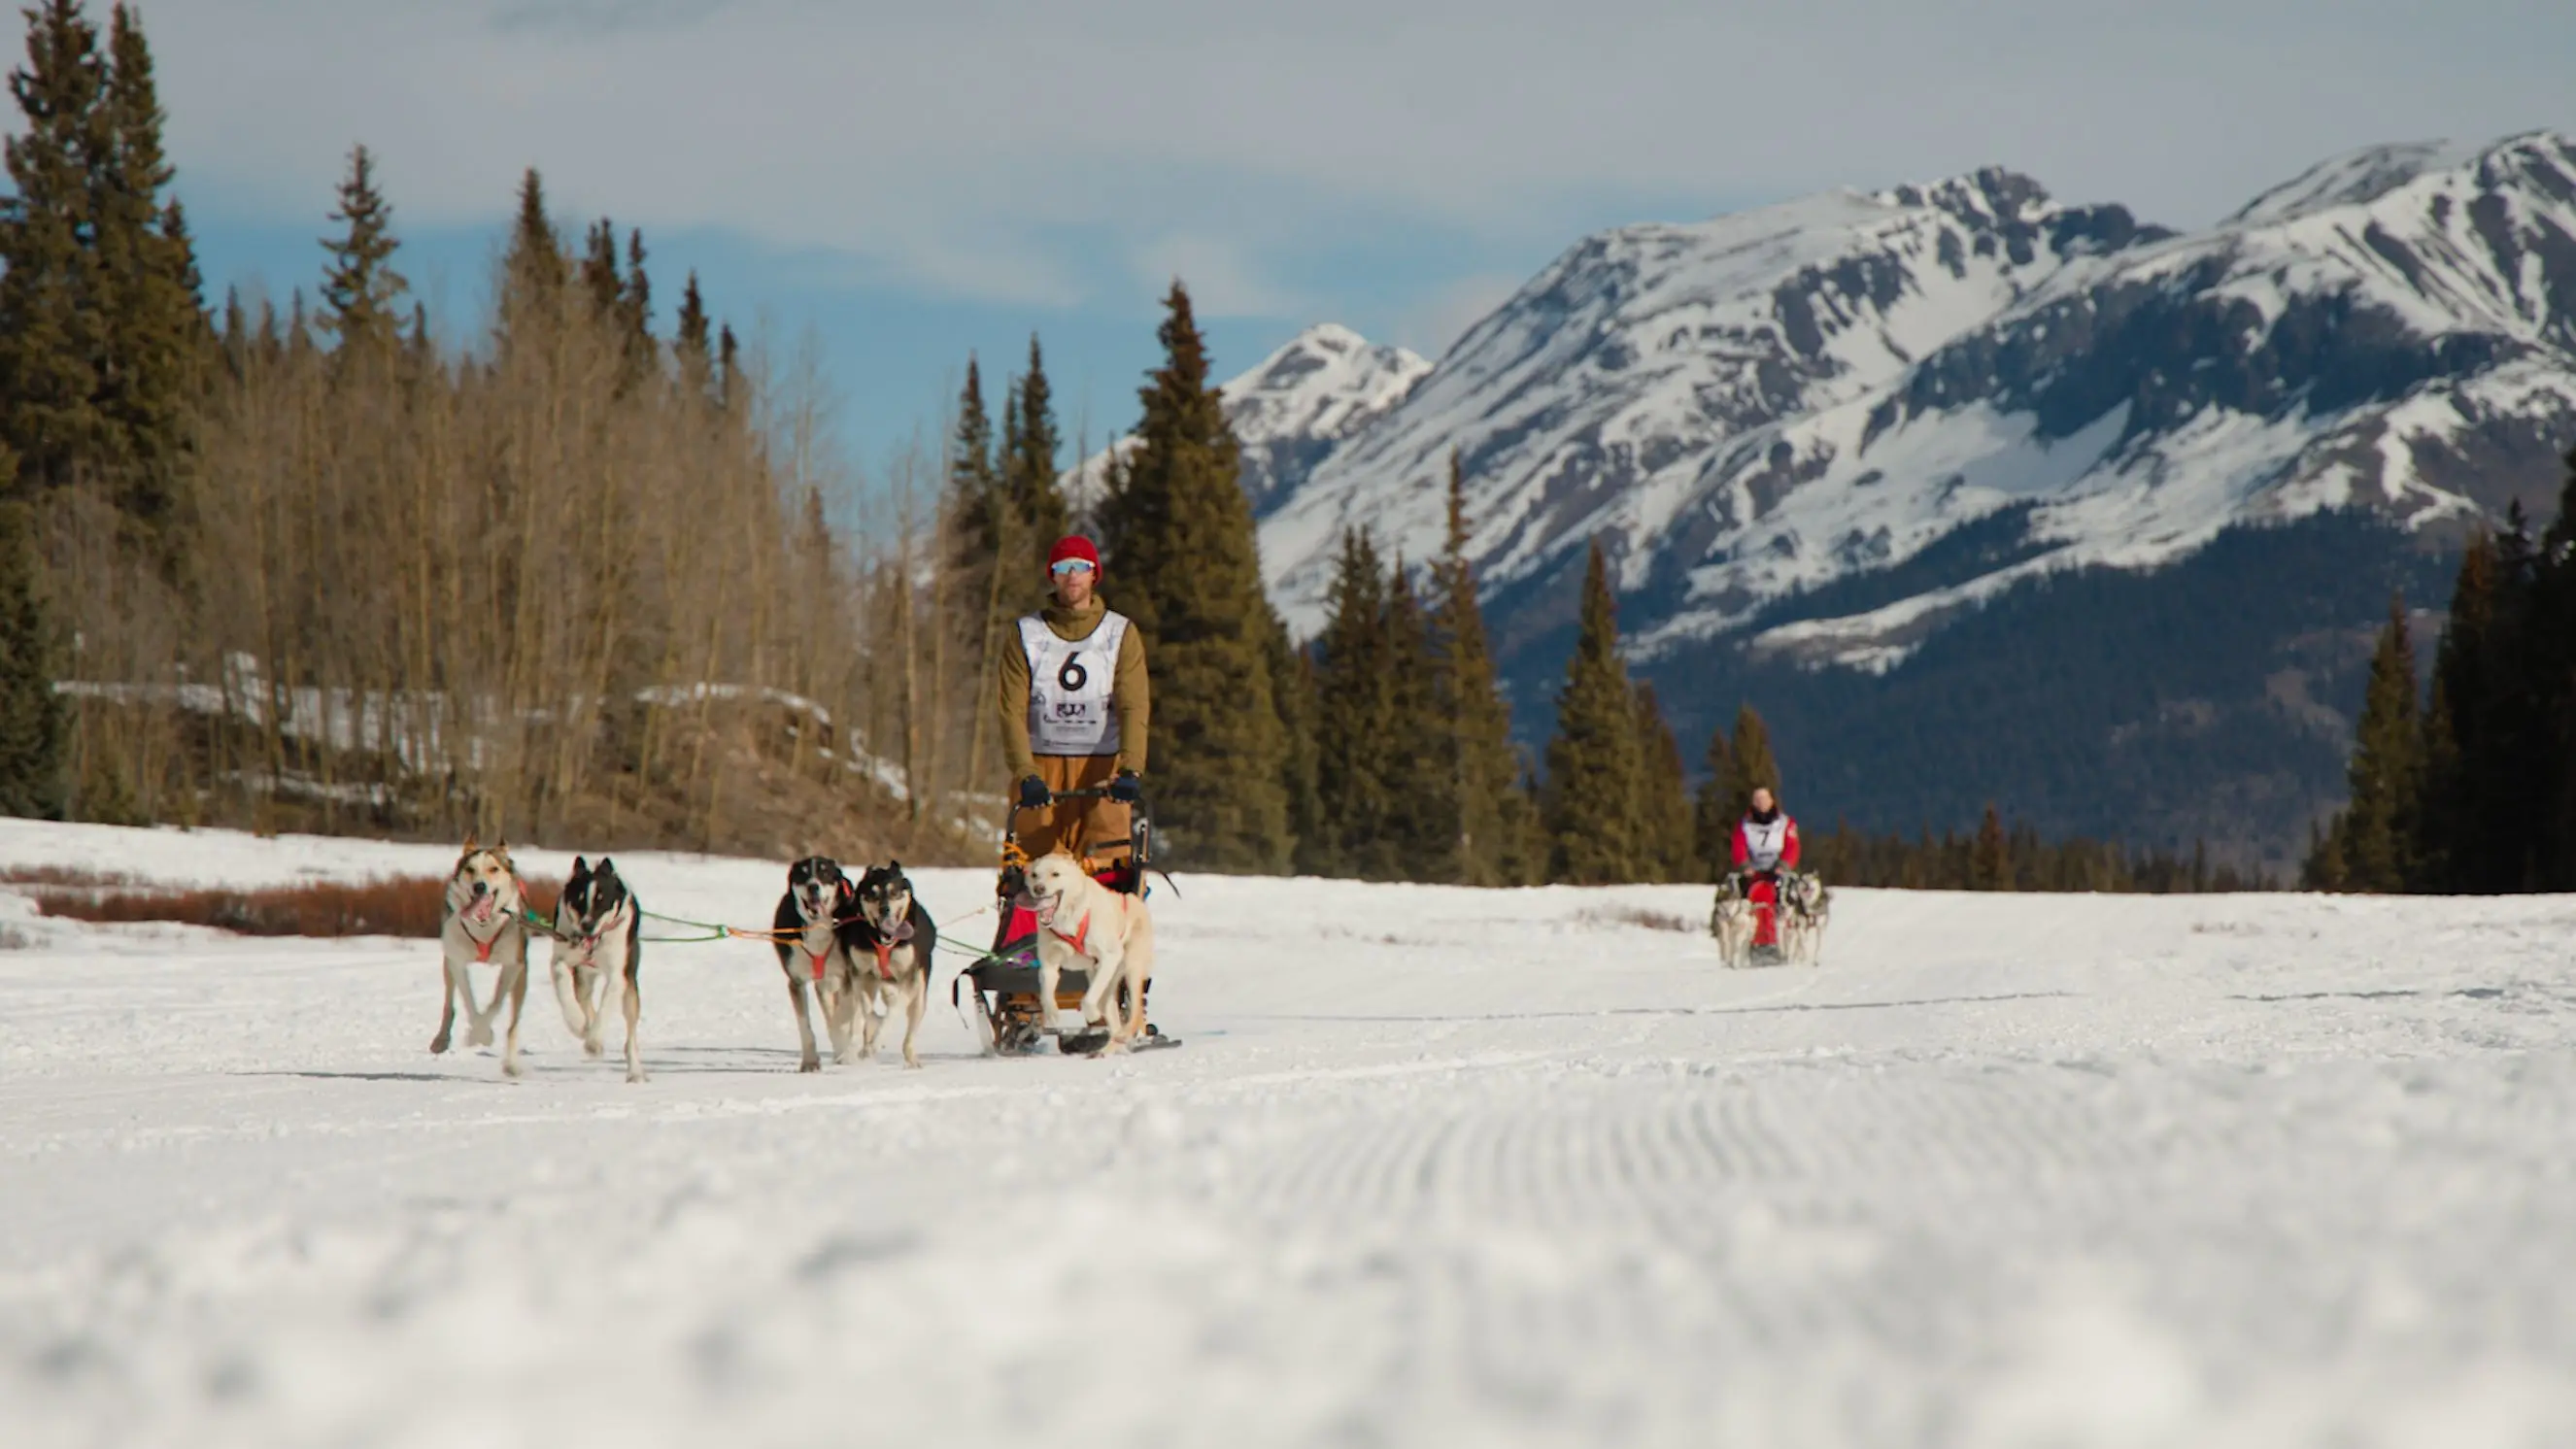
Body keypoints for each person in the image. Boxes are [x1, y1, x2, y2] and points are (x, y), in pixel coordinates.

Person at [996, 534, 1149, 874]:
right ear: (1053, 575)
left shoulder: (1119, 633)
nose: (1073, 575)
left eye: (1082, 567)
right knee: (1035, 874)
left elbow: (1134, 706)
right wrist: (1025, 773)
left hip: (1102, 771)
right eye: (1064, 567)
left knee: (1109, 871)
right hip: (1041, 769)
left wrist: (1131, 767)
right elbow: (1011, 710)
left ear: (1095, 574)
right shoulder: (1026, 634)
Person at [1729, 786, 1801, 960]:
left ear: (1771, 801)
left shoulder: (1785, 823)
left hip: (1778, 868)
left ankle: (1783, 943)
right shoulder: (1744, 824)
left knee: (1782, 901)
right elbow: (1738, 846)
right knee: (1752, 901)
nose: (1761, 803)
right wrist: (1744, 865)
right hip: (1753, 870)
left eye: (1764, 799)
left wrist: (1784, 865)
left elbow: (1792, 846)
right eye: (1757, 800)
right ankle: (1756, 942)